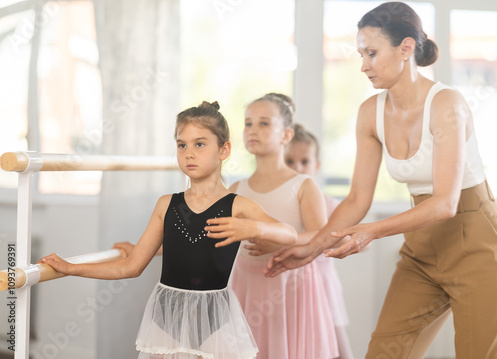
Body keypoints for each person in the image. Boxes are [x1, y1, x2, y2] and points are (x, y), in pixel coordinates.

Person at [265, 2, 497, 358]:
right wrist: (312, 248)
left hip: (477, 243)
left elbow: (445, 203)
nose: (363, 65)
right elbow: (358, 199)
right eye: (361, 54)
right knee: (384, 351)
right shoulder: (369, 113)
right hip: (421, 250)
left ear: (406, 48)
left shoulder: (446, 104)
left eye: (372, 53)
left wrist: (370, 232)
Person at [38, 101, 298, 359]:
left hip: (216, 321)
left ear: (224, 150)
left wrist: (251, 227)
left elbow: (289, 234)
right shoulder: (166, 204)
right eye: (181, 145)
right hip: (166, 321)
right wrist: (71, 268)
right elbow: (131, 267)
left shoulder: (238, 206)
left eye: (200, 143)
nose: (189, 153)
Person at [229, 93, 338, 359]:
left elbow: (321, 235)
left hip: (291, 285)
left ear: (286, 135)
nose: (253, 130)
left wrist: (279, 239)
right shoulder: (236, 189)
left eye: (264, 123)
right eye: (248, 123)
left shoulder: (303, 185)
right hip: (247, 283)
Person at [284, 123, 354, 359]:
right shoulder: (278, 206)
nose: (298, 168)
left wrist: (337, 240)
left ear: (316, 166)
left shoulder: (330, 204)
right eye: (289, 161)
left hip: (323, 288)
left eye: (304, 162)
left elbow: (358, 238)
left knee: (337, 349)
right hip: (287, 289)